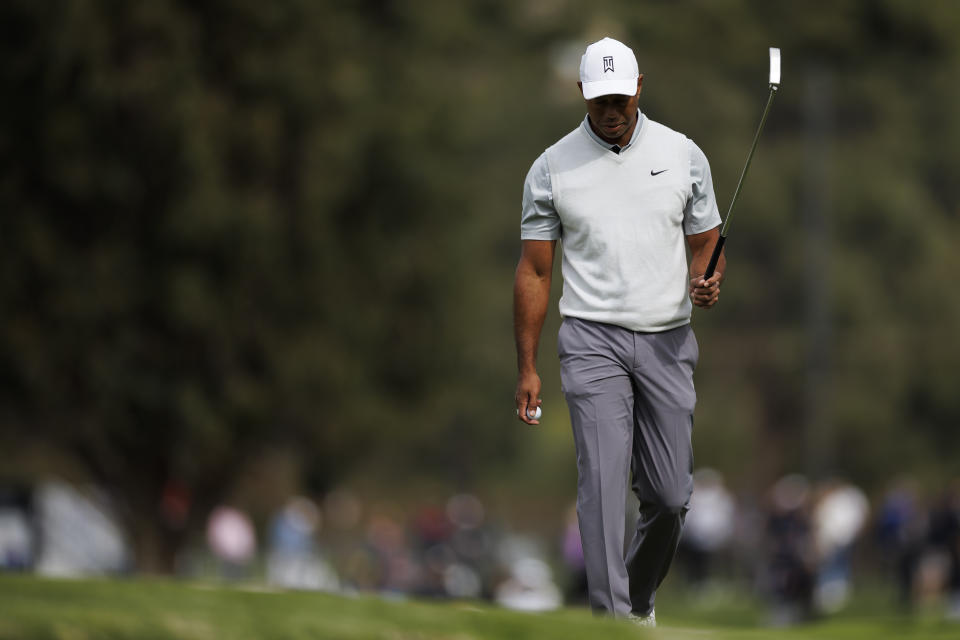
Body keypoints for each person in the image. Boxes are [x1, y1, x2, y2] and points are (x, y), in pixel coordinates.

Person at [513, 37, 724, 625]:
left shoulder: (683, 154)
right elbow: (534, 270)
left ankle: (637, 601)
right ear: (581, 93)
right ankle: (612, 624)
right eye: (599, 99)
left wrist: (706, 278)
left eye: (620, 98)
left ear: (638, 88)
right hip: (591, 340)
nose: (611, 110)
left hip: (667, 339)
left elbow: (706, 244)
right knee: (603, 484)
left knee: (670, 497)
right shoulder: (552, 167)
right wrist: (527, 367)